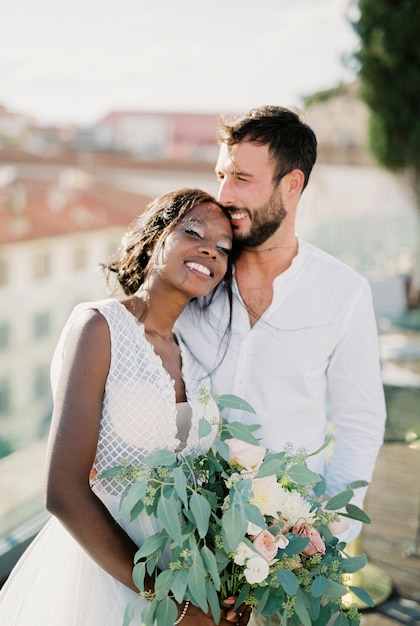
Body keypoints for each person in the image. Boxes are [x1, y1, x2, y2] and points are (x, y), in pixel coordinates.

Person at [0, 189, 249, 626]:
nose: (211, 249)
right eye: (194, 232)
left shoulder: (194, 359)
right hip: (105, 577)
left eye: (224, 248)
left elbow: (202, 484)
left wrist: (229, 584)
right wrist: (168, 600)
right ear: (155, 238)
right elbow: (63, 490)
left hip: (183, 570)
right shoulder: (98, 326)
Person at [176, 106, 387, 561]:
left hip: (289, 547)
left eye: (242, 179)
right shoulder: (194, 277)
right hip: (184, 533)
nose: (223, 194)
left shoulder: (344, 292)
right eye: (221, 176)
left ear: (292, 185)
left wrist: (329, 537)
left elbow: (360, 421)